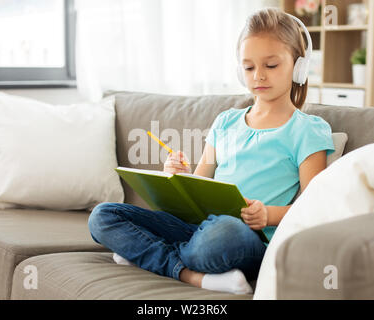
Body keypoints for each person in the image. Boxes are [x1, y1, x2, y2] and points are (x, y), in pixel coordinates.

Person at [88, 7, 335, 295]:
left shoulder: (307, 130)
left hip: (244, 238)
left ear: (298, 66)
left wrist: (267, 215)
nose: (259, 76)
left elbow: (313, 207)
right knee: (103, 217)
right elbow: (199, 190)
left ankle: (146, 254)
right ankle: (192, 276)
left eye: (271, 65)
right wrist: (177, 179)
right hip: (198, 229)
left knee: (222, 234)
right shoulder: (226, 121)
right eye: (249, 67)